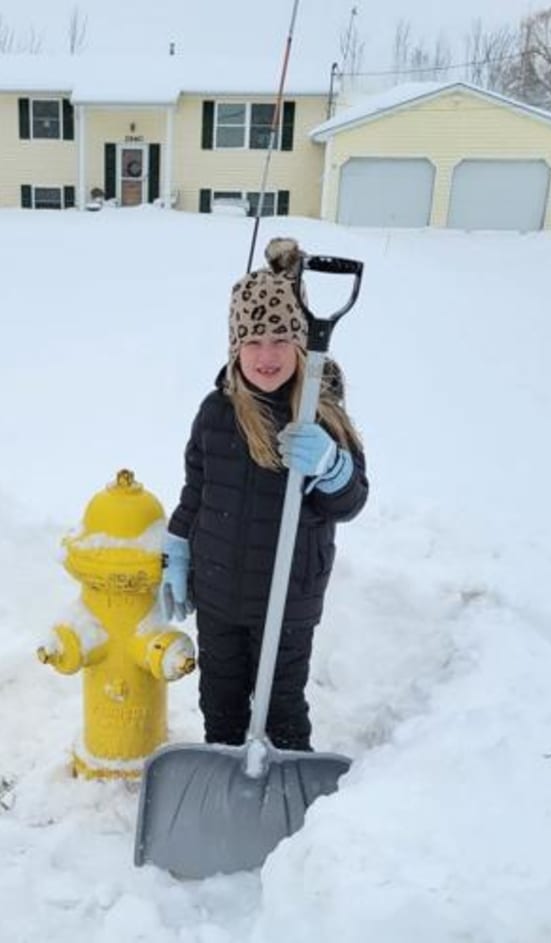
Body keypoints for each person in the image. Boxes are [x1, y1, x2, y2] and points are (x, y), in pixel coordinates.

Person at [159, 237, 368, 752]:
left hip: (288, 596)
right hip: (218, 594)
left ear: (302, 346)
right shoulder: (216, 412)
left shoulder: (319, 417)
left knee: (282, 708)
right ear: (234, 348)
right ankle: (225, 782)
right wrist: (180, 551)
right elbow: (196, 491)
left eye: (280, 339)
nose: (267, 355)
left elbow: (352, 501)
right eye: (252, 341)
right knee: (221, 706)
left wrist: (330, 466)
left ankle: (301, 819)